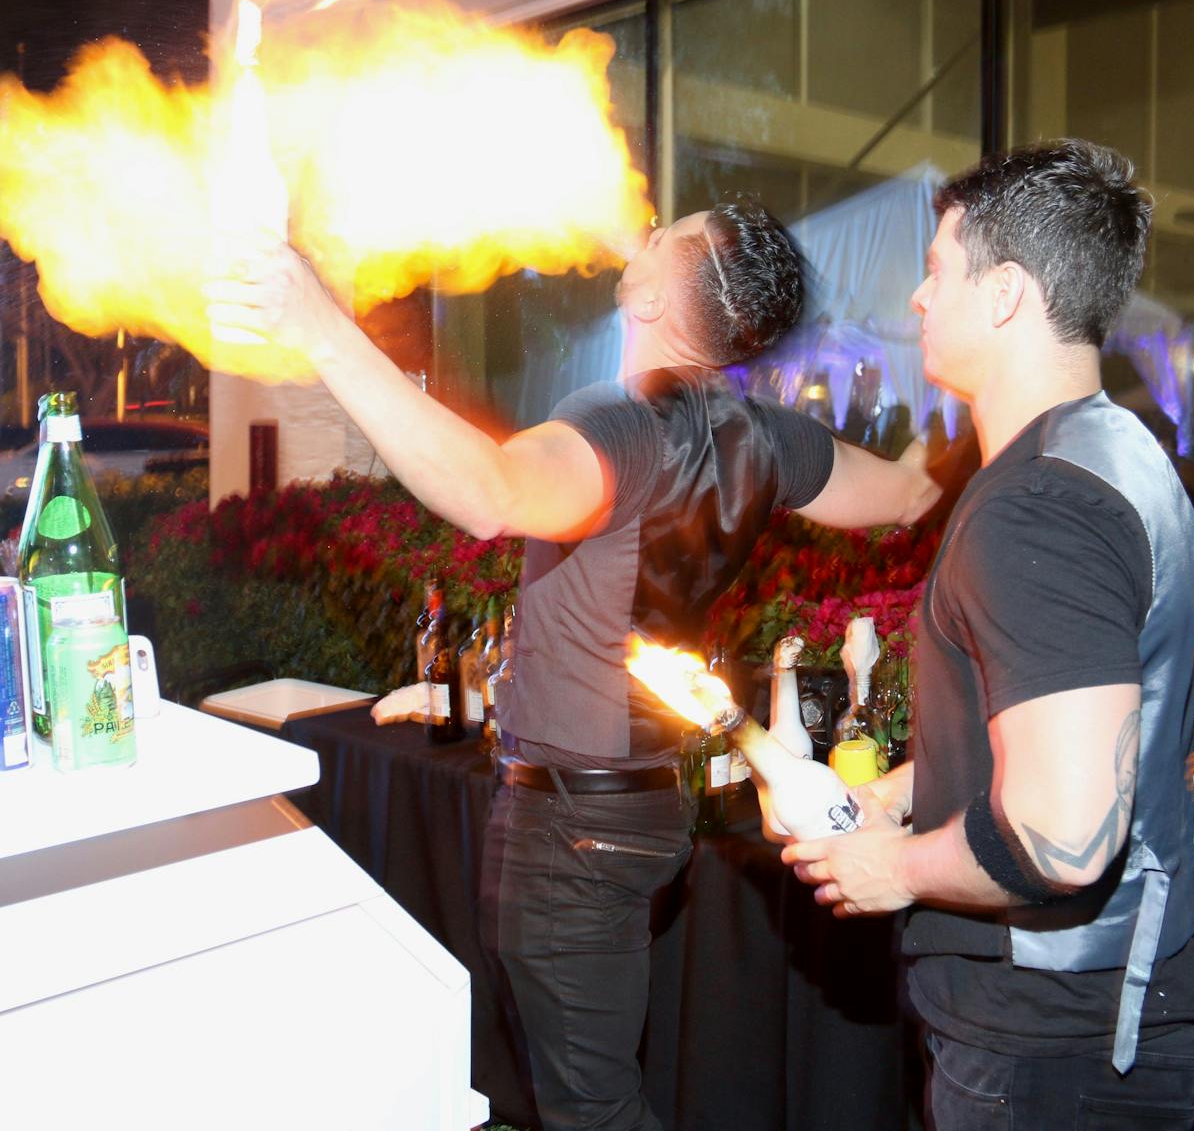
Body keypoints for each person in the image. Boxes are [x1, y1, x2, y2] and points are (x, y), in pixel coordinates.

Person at [207, 199, 941, 1130]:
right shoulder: (770, 438)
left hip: (573, 832)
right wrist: (939, 450)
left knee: (591, 1110)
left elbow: (487, 494)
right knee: (589, 1087)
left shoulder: (623, 424)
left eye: (674, 231)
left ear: (674, 295)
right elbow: (905, 495)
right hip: (642, 810)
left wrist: (318, 324)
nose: (654, 224)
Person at [784, 140, 1194, 1130]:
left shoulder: (1038, 508)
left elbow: (1064, 836)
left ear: (1007, 292)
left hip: (1053, 1050)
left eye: (937, 271)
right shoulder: (1116, 449)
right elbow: (1081, 732)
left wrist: (897, 867)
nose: (919, 299)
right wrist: (888, 797)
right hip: (1109, 1019)